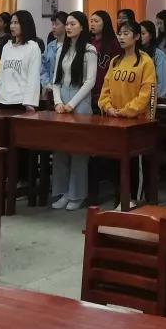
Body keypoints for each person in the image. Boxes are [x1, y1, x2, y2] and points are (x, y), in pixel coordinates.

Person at [99, 20, 158, 210]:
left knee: (133, 162)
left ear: (137, 36)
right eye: (120, 33)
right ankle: (120, 197)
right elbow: (105, 90)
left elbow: (146, 94)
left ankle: (133, 198)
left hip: (136, 123)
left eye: (126, 33)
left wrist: (126, 111)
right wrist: (108, 107)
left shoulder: (145, 61)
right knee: (116, 162)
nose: (121, 37)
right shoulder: (115, 61)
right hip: (115, 120)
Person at [50, 12, 97, 210]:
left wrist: (72, 104)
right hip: (62, 104)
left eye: (72, 24)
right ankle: (62, 192)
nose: (68, 27)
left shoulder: (89, 50)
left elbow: (90, 81)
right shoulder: (62, 48)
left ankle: (76, 195)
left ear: (82, 27)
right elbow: (56, 80)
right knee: (60, 150)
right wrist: (58, 103)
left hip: (81, 104)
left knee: (79, 152)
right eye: (67, 24)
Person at [0, 10, 42, 111]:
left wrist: (29, 103)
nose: (12, 26)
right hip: (3, 101)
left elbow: (33, 78)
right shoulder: (7, 47)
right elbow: (0, 76)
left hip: (21, 102)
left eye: (16, 23)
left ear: (25, 24)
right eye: (11, 23)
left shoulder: (33, 47)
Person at [89, 10, 121, 106]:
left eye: (96, 21)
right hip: (89, 91)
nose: (92, 24)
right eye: (91, 21)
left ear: (105, 23)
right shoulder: (89, 42)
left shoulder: (113, 43)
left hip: (106, 91)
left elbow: (116, 69)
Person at [139, 20, 166, 99]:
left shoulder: (159, 55)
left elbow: (162, 85)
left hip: (153, 99)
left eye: (143, 33)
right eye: (138, 34)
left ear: (151, 35)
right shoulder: (135, 53)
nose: (140, 36)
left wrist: (156, 100)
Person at [40, 11, 67, 94]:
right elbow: (43, 68)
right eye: (52, 24)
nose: (53, 27)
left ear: (66, 25)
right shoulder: (50, 46)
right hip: (51, 90)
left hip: (66, 91)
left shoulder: (72, 46)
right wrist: (47, 84)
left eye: (57, 24)